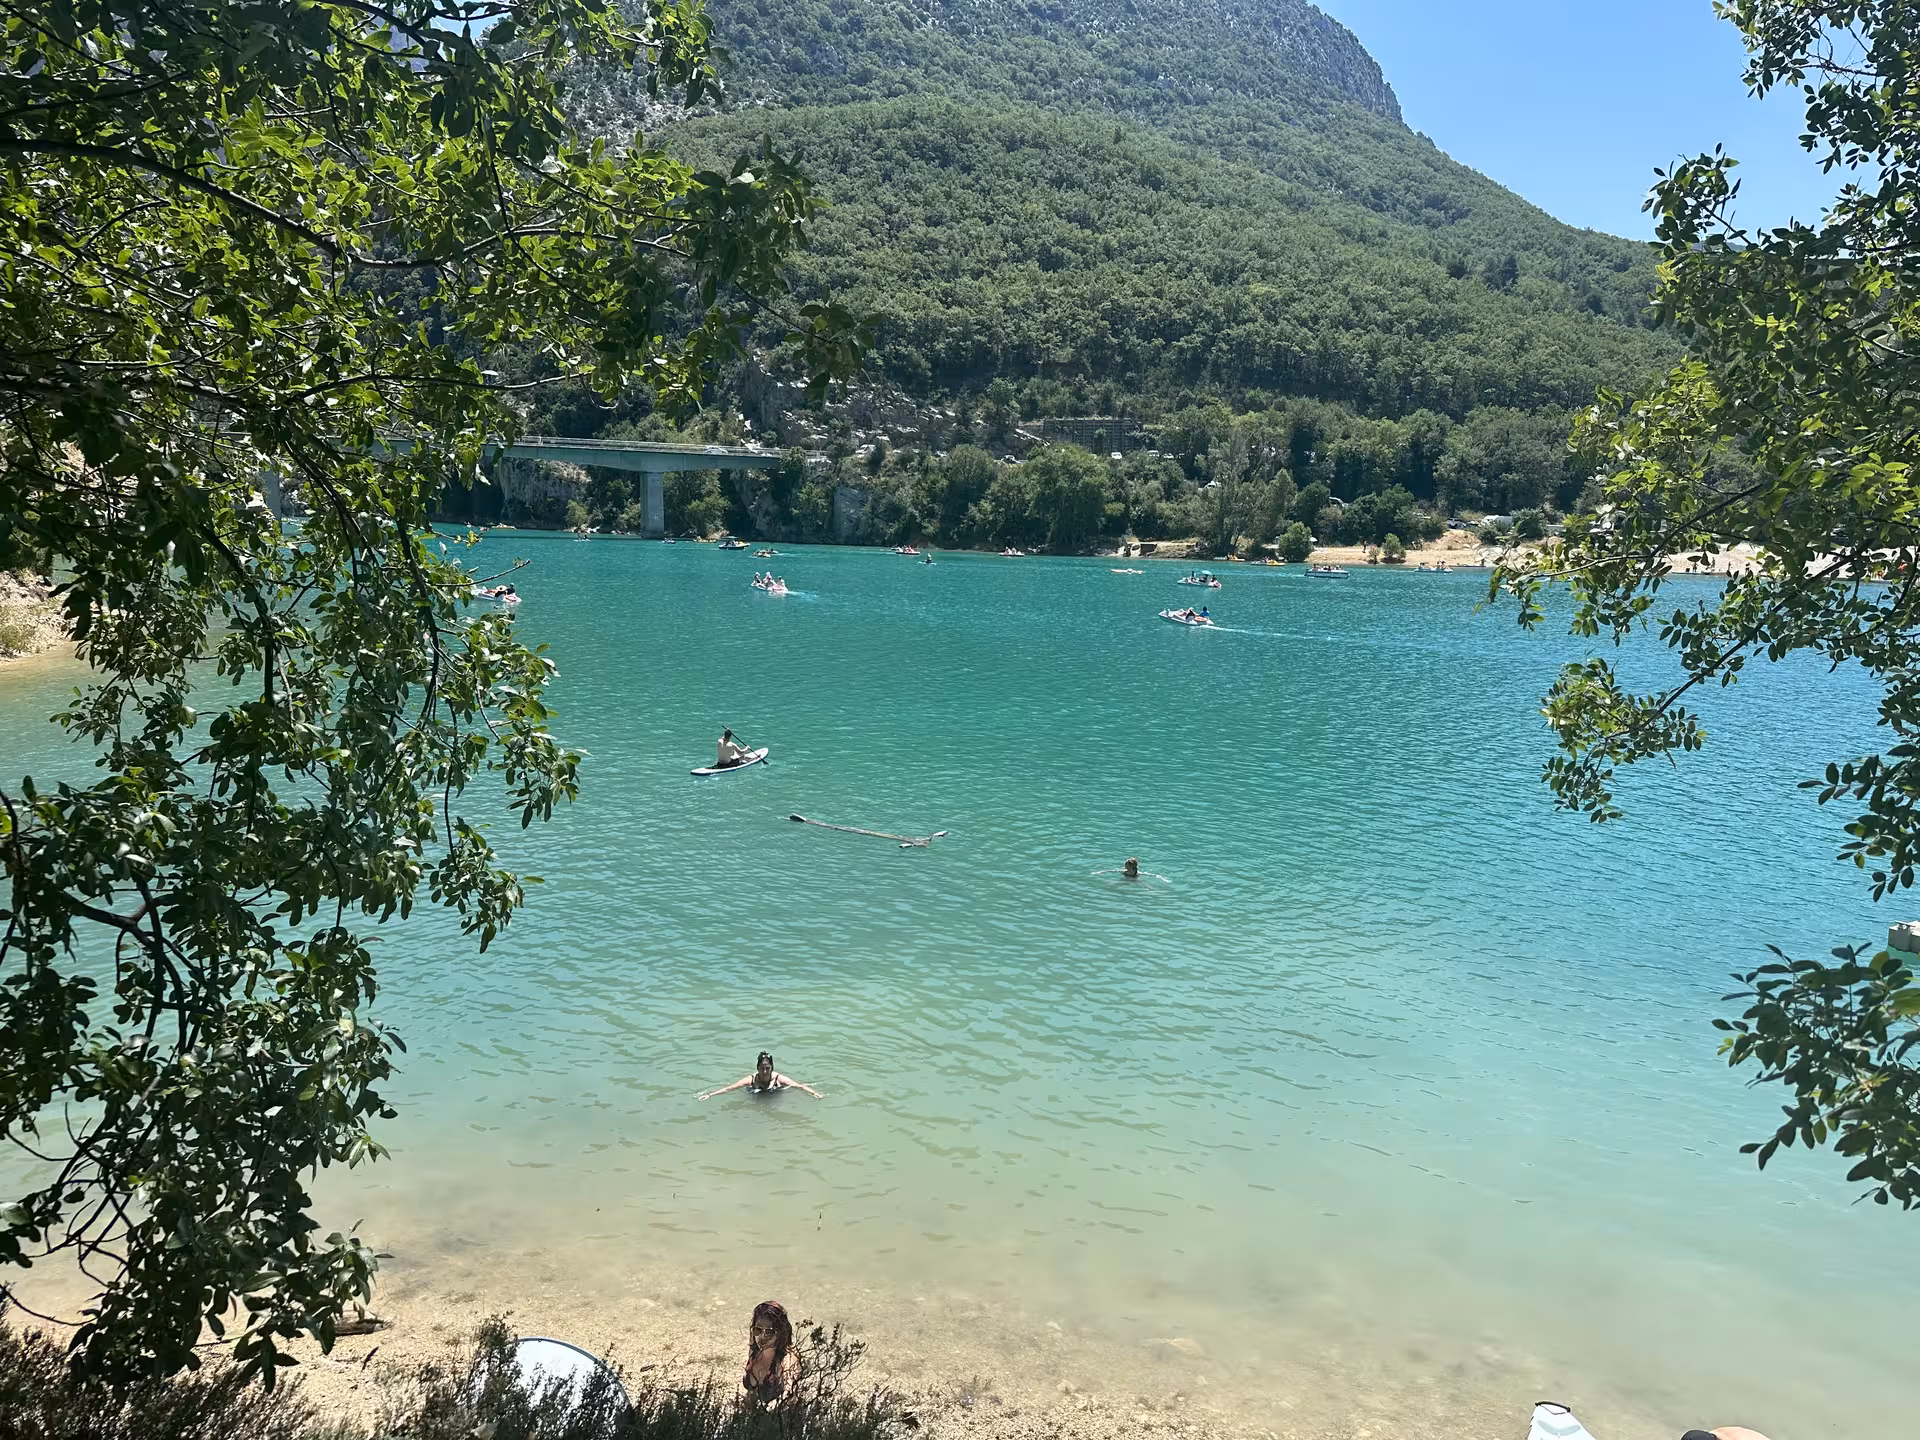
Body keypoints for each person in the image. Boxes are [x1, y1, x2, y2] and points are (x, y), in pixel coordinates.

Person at [740, 1300, 799, 1406]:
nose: (762, 1337)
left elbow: (790, 1396)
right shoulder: (754, 1351)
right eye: (758, 1330)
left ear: (780, 1333)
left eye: (769, 1332)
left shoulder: (787, 1360)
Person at [699, 1051, 824, 1100]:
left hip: (773, 1094)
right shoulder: (751, 1079)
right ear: (757, 1068)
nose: (765, 1072)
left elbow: (799, 1086)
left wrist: (813, 1093)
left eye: (767, 1068)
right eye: (762, 1069)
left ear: (772, 1068)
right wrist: (710, 1095)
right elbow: (730, 1088)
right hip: (756, 1093)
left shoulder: (778, 1078)